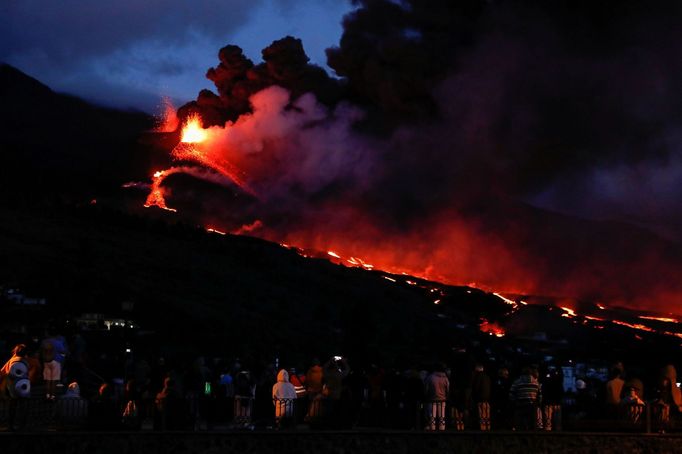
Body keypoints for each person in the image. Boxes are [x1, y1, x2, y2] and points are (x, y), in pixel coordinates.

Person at [509, 366, 542, 430]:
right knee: (532, 423)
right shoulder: (536, 383)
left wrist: (514, 402)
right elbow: (540, 395)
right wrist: (538, 403)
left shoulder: (517, 382)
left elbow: (511, 394)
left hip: (520, 405)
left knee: (519, 424)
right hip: (532, 405)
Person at [424, 363, 449, 431]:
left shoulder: (430, 377)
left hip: (432, 399)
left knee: (432, 417)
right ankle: (442, 429)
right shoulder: (445, 378)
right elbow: (448, 389)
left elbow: (426, 389)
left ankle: (432, 430)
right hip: (442, 399)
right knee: (442, 417)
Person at [469, 363, 491, 430]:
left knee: (481, 415)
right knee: (487, 415)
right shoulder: (487, 377)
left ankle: (483, 429)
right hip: (487, 399)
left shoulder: (477, 377)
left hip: (480, 399)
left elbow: (476, 388)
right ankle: (488, 428)